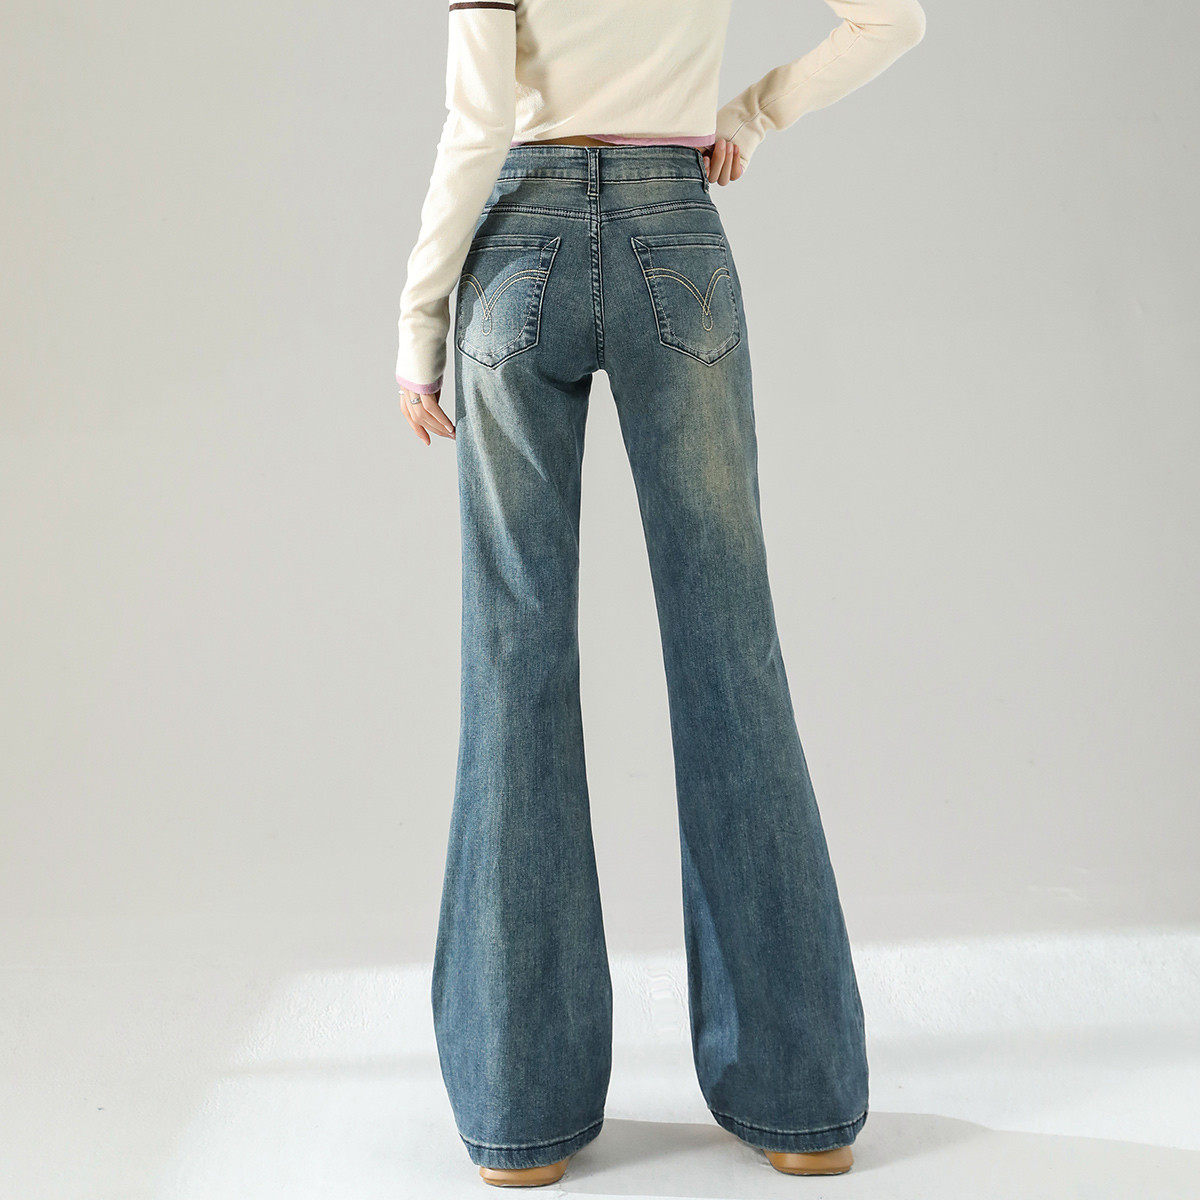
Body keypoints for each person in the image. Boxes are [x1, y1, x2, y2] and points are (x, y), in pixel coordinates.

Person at [394, 0, 925, 1187]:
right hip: (675, 235)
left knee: (514, 655)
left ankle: (519, 1114)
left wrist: (416, 318)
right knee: (732, 652)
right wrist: (751, 116)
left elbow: (478, 120)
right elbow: (891, 20)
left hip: (517, 248)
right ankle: (804, 1106)